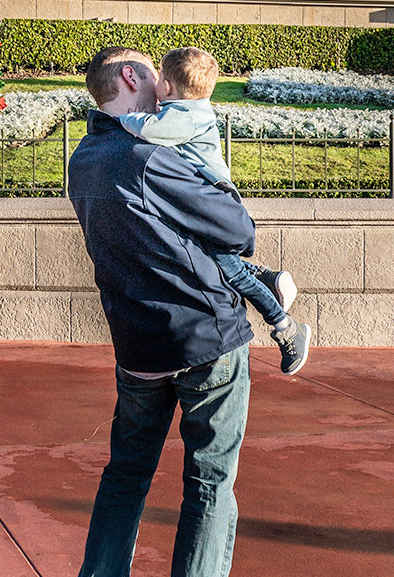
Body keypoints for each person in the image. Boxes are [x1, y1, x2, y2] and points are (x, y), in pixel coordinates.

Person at [63, 46, 258, 577]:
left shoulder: (84, 159)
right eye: (153, 72)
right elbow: (237, 229)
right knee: (209, 481)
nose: (167, 85)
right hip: (204, 340)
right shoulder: (149, 156)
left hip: (136, 345)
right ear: (131, 77)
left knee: (125, 474)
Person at [116, 45, 311, 375]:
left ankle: (286, 327)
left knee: (229, 271)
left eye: (160, 76)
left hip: (212, 199)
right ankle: (268, 277)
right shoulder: (189, 109)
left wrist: (122, 118)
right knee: (213, 260)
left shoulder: (185, 115)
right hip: (207, 196)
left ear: (166, 86)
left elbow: (150, 131)